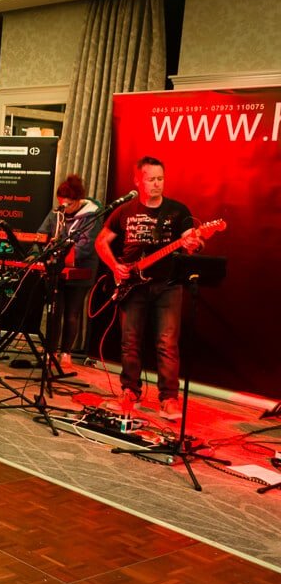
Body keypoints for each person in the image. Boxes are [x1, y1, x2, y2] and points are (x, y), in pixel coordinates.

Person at [95, 156, 203, 421]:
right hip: (132, 285)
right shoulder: (125, 210)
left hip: (168, 286)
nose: (157, 184)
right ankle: (130, 393)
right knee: (129, 342)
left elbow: (196, 244)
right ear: (138, 181)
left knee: (167, 343)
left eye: (161, 179)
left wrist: (192, 244)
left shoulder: (178, 211)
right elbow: (101, 242)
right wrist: (115, 267)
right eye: (151, 179)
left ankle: (169, 399)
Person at [34, 173, 100, 369]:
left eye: (68, 204)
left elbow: (86, 247)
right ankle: (51, 350)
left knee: (72, 312)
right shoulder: (57, 212)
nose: (63, 208)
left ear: (79, 201)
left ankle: (66, 353)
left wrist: (61, 253)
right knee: (54, 311)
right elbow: (41, 235)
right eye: (61, 204)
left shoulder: (92, 215)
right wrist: (35, 254)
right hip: (56, 271)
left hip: (81, 271)